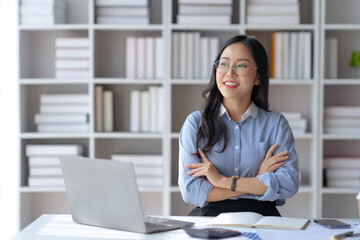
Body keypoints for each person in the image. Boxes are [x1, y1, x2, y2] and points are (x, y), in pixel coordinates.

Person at [178, 35, 299, 217]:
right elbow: (191, 191)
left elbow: (289, 183)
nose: (229, 73)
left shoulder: (275, 124)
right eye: (224, 64)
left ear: (258, 77)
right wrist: (257, 181)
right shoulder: (195, 124)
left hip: (263, 218)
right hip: (211, 217)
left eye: (241, 65)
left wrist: (222, 181)